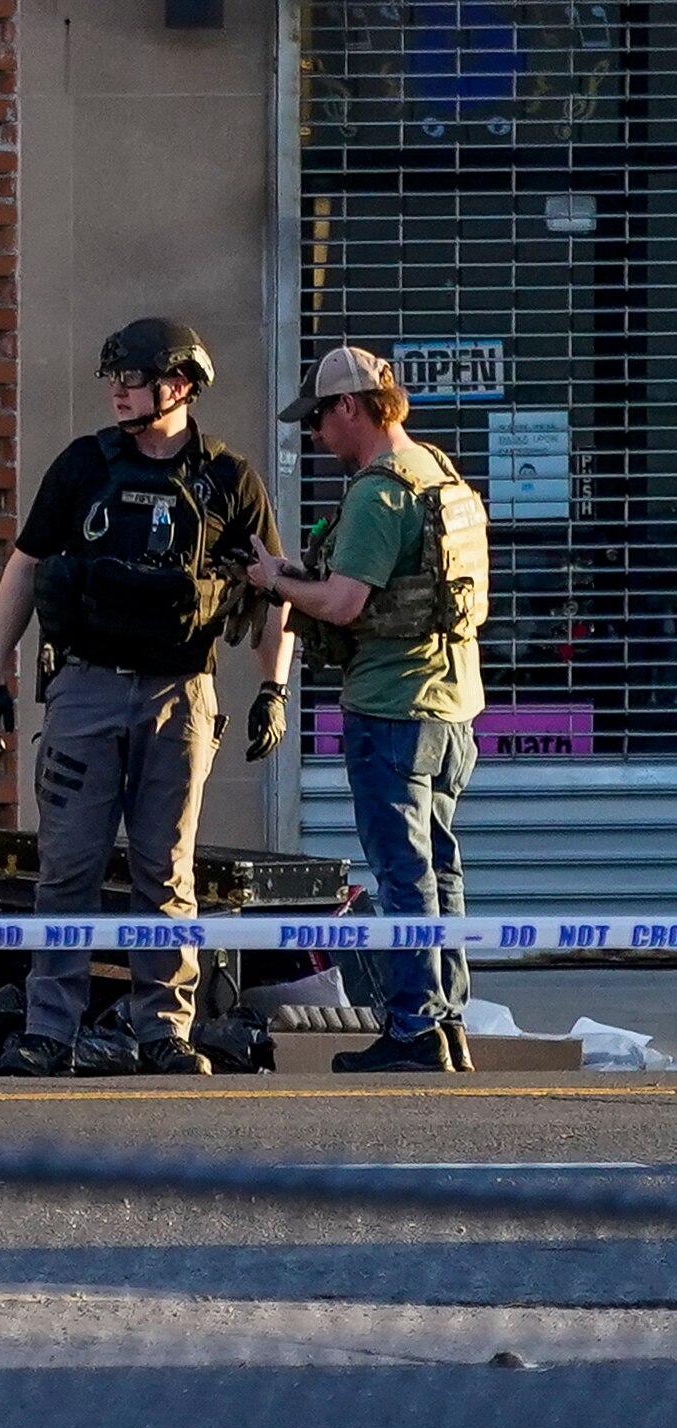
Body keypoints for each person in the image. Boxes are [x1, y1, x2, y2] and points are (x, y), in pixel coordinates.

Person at [0, 318, 293, 1078]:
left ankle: (164, 1033)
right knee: (67, 868)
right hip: (86, 689)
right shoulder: (84, 466)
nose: (118, 390)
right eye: (113, 378)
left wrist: (273, 686)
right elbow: (24, 569)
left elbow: (275, 584)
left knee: (166, 871)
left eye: (133, 377)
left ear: (179, 384)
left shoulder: (229, 479)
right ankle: (50, 1031)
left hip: (181, 695)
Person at [249, 346, 489, 1074]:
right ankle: (445, 1022)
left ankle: (415, 1030)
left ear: (350, 408)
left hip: (392, 710)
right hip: (451, 709)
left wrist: (273, 581)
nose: (317, 436)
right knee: (439, 869)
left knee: (402, 873)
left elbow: (346, 602)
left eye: (320, 419)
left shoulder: (379, 491)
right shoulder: (437, 474)